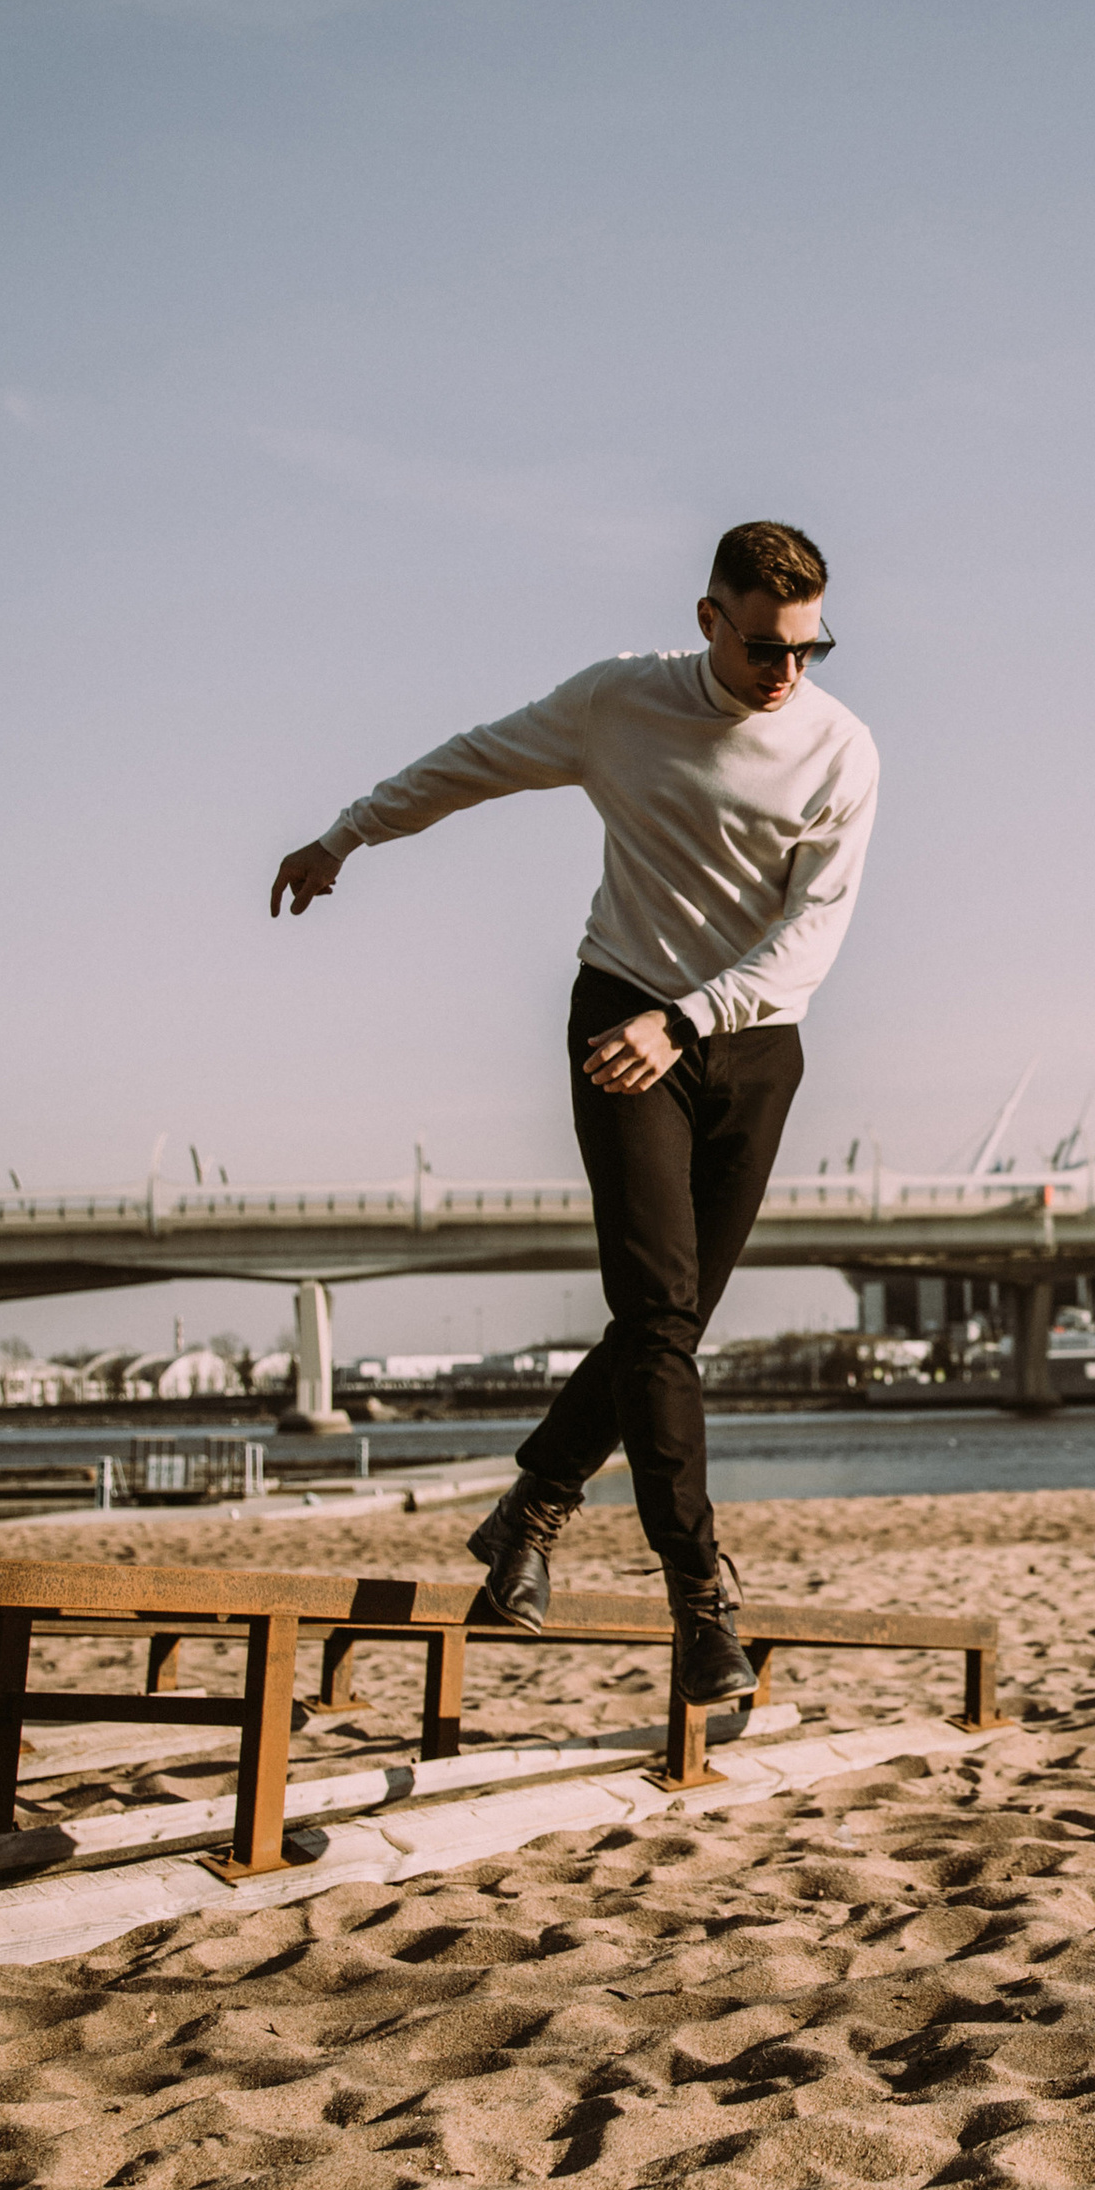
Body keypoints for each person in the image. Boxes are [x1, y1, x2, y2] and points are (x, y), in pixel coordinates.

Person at [268, 520, 879, 1704]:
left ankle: (532, 1507)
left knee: (674, 1321)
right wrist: (346, 833)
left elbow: (812, 935)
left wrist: (693, 1018)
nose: (786, 672)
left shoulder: (841, 748)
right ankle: (701, 1604)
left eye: (810, 647)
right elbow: (473, 760)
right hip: (620, 1023)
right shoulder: (619, 703)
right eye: (764, 646)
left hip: (751, 1045)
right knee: (655, 1315)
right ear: (710, 619)